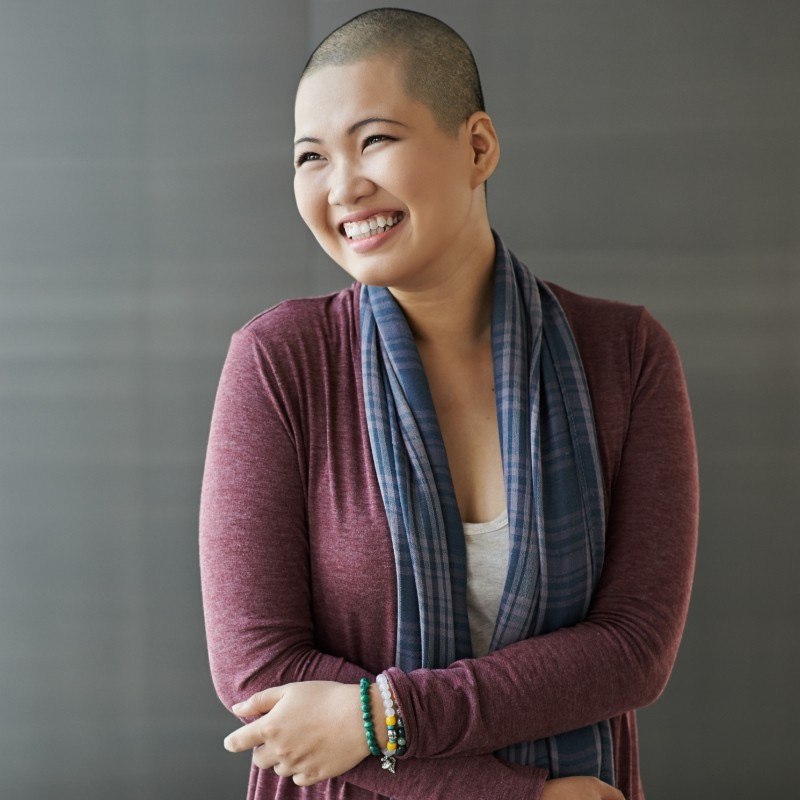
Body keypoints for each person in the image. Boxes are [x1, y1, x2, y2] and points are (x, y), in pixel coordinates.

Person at [199, 8, 699, 800]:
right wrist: (515, 796)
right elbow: (260, 670)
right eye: (310, 157)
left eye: (375, 140)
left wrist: (374, 717)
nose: (342, 186)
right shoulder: (278, 362)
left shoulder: (626, 355)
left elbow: (634, 647)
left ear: (477, 147)